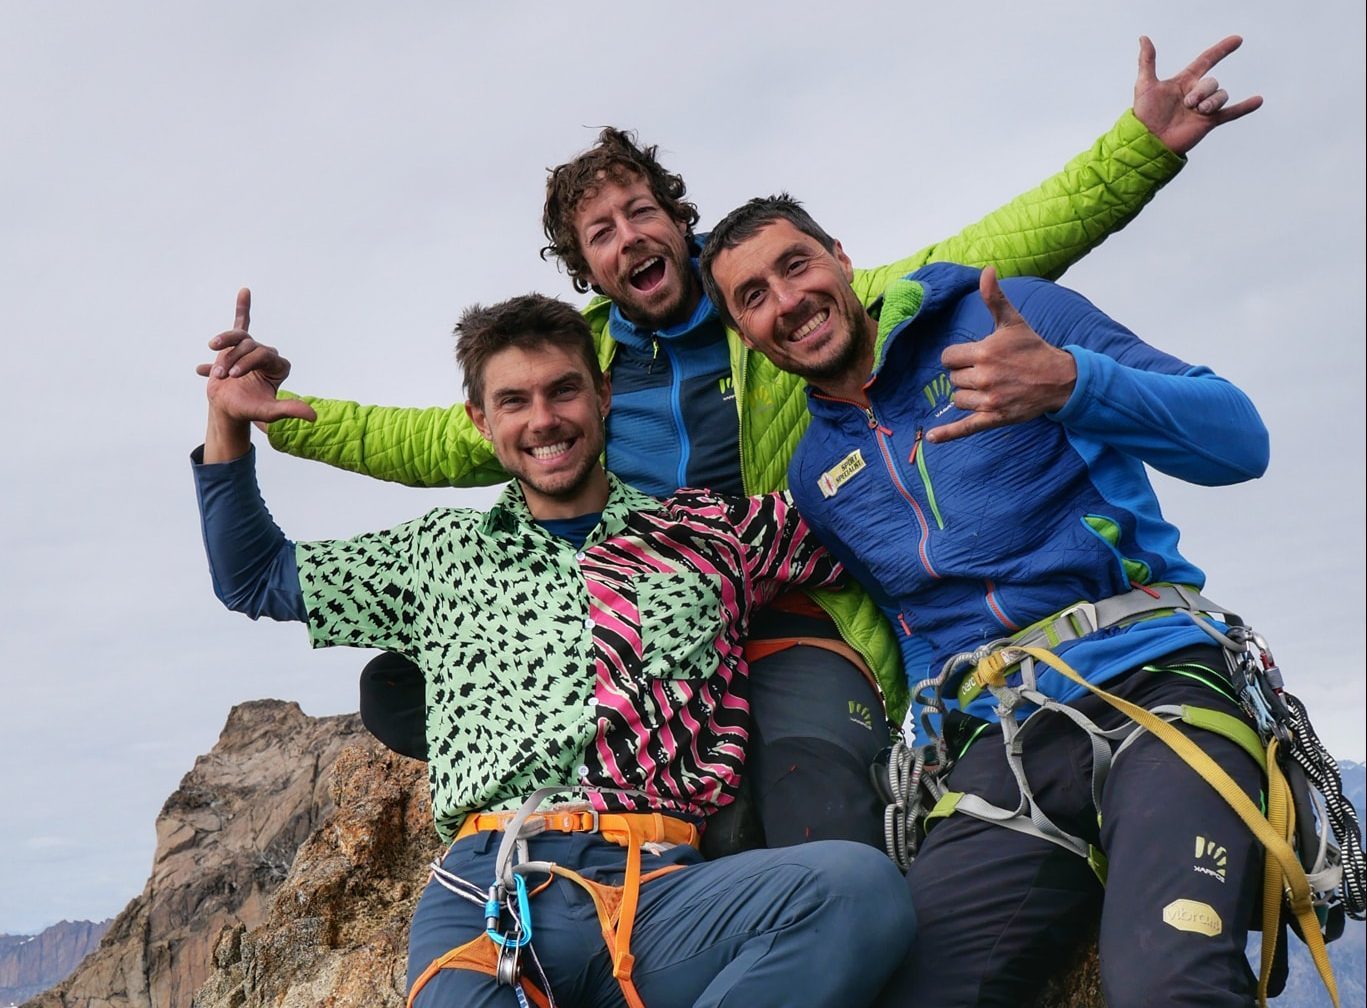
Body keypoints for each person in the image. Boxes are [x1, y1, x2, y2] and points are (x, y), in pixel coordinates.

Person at [209, 36, 1262, 856]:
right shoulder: (580, 380)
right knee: (400, 686)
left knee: (812, 815)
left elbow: (995, 245)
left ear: (678, 220)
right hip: (647, 619)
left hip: (784, 608)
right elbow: (438, 439)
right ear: (589, 269)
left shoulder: (778, 317)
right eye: (600, 234)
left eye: (639, 211)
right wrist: (287, 420)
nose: (628, 237)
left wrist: (1138, 154)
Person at [192, 289, 915, 1007]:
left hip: (669, 892)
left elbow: (884, 512)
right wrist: (227, 423)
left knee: (857, 892)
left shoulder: (708, 533)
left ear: (602, 395)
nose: (544, 420)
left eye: (563, 390)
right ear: (481, 420)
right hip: (492, 892)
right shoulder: (435, 555)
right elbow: (254, 577)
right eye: (514, 401)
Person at [699, 196, 1272, 1007]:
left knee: (1165, 985)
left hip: (1154, 681)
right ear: (742, 333)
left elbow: (1240, 441)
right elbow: (920, 629)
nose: (786, 300)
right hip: (1005, 744)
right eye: (751, 295)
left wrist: (1070, 382)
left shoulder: (1011, 317)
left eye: (794, 265)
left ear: (839, 256)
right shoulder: (815, 474)